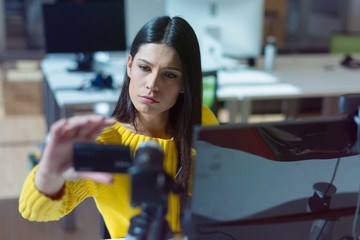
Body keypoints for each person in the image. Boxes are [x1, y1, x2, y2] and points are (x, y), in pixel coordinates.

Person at [19, 16, 219, 238]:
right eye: (144, 67)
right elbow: (35, 211)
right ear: (130, 66)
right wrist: (48, 175)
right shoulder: (106, 141)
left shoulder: (202, 120)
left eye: (170, 75)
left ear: (184, 84)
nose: (152, 85)